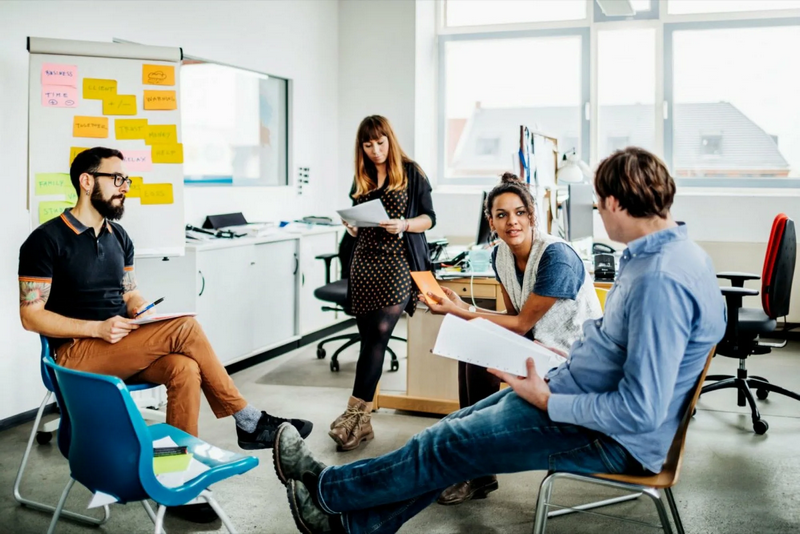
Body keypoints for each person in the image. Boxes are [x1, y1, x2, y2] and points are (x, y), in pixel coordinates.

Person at [272, 147, 727, 534]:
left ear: (611, 201)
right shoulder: (671, 256)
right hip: (573, 389)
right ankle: (352, 524)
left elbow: (641, 410)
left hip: (604, 432)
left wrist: (550, 402)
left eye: (597, 204)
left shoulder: (660, 279)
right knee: (446, 436)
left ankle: (326, 490)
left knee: (446, 445)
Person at [18, 147, 313, 521]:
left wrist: (141, 310)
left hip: (119, 346)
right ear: (87, 181)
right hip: (75, 357)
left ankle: (176, 482)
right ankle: (247, 419)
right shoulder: (45, 240)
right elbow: (31, 315)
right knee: (186, 327)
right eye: (117, 179)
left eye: (126, 179)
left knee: (184, 369)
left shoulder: (118, 236)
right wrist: (96, 327)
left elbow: (127, 292)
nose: (124, 187)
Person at [424, 172, 602, 505]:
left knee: (477, 347)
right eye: (502, 215)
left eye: (519, 212)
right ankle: (477, 470)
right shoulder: (500, 256)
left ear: (532, 215)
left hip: (572, 359)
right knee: (475, 349)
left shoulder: (555, 256)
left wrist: (459, 311)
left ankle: (473, 467)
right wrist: (462, 307)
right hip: (538, 346)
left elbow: (519, 324)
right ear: (491, 221)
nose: (512, 222)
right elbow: (511, 317)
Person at [331, 116, 435, 451]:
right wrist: (351, 226)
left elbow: (428, 219)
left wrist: (403, 224)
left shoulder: (411, 171)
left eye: (380, 142)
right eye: (368, 144)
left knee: (377, 336)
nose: (375, 150)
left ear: (390, 139)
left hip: (397, 263)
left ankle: (354, 414)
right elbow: (355, 220)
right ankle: (361, 421)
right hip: (364, 262)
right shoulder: (361, 175)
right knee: (368, 340)